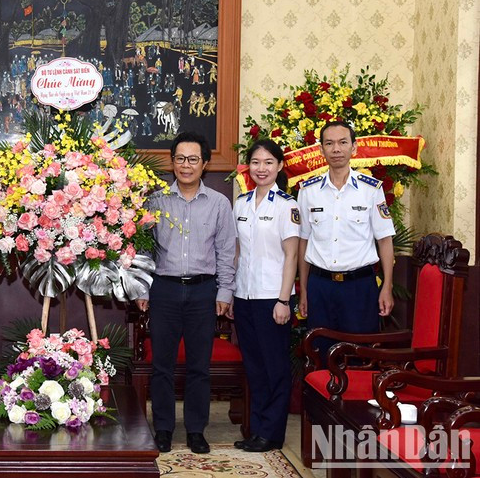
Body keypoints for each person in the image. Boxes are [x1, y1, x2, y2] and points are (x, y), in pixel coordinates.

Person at [136, 132, 236, 455]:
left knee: (198, 366)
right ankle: (163, 428)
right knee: (161, 365)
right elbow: (144, 250)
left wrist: (225, 292)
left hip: (203, 291)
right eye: (180, 158)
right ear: (172, 161)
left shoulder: (219, 204)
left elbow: (226, 250)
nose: (186, 165)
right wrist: (142, 287)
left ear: (205, 164)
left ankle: (196, 431)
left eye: (193, 159)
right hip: (163, 289)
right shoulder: (156, 200)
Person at [297, 120, 396, 356]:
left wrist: (387, 287)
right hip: (319, 287)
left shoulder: (371, 189)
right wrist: (303, 290)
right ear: (321, 150)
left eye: (343, 142)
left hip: (359, 287)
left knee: (360, 356)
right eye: (329, 143)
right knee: (320, 355)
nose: (336, 149)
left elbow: (384, 240)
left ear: (354, 147)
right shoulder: (307, 191)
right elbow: (303, 243)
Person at [231, 139, 299, 452]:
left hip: (273, 299)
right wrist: (231, 293)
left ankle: (271, 434)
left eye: (268, 162)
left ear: (279, 166)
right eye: (256, 162)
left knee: (275, 368)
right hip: (244, 296)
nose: (262, 168)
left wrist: (284, 300)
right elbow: (238, 252)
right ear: (249, 167)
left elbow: (291, 257)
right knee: (255, 367)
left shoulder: (288, 205)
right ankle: (257, 429)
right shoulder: (241, 203)